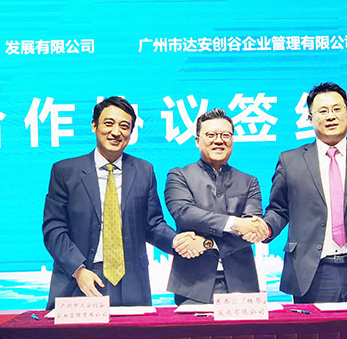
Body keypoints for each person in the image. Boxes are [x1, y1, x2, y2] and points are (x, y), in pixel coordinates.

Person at [246, 82, 347, 303]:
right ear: (310, 119)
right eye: (322, 111)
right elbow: (279, 209)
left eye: (336, 109)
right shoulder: (290, 161)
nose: (330, 116)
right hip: (311, 273)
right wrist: (266, 228)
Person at [42, 96, 200, 308]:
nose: (116, 132)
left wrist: (176, 241)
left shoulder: (144, 170)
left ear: (131, 133)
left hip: (132, 281)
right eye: (109, 123)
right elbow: (54, 229)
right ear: (94, 126)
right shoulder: (65, 171)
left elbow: (153, 225)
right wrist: (78, 270)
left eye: (124, 126)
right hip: (80, 278)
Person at [164, 108, 264, 304]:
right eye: (211, 135)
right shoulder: (179, 176)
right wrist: (235, 223)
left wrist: (207, 243)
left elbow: (251, 230)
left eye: (225, 135)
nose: (219, 141)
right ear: (197, 140)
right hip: (192, 285)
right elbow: (185, 214)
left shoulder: (249, 181)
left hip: (242, 285)